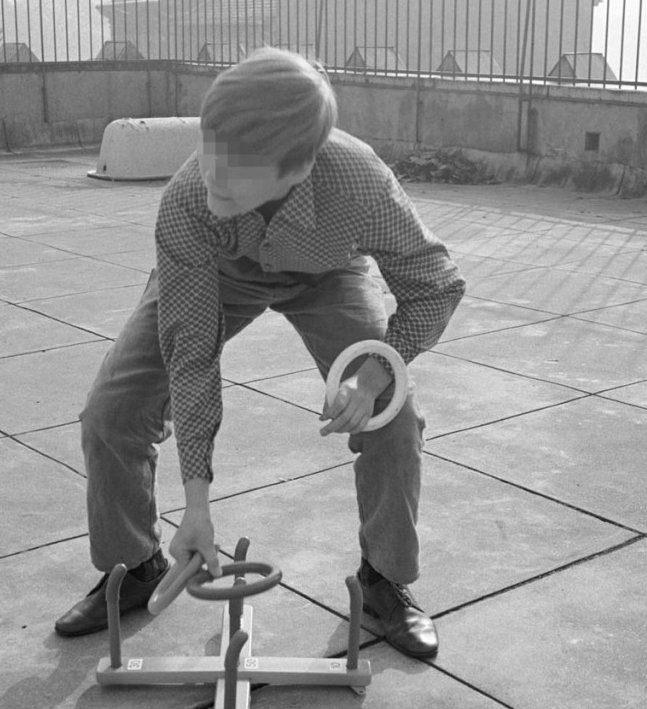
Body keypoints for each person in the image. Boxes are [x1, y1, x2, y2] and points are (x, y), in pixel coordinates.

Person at [55, 47, 465, 658]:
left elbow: (435, 284)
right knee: (112, 411)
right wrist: (196, 503)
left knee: (394, 419)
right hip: (216, 271)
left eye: (236, 167)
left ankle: (385, 580)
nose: (210, 173)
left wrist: (377, 373)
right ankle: (133, 566)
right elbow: (190, 355)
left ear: (297, 169)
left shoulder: (360, 183)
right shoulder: (190, 198)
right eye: (209, 146)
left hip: (328, 273)